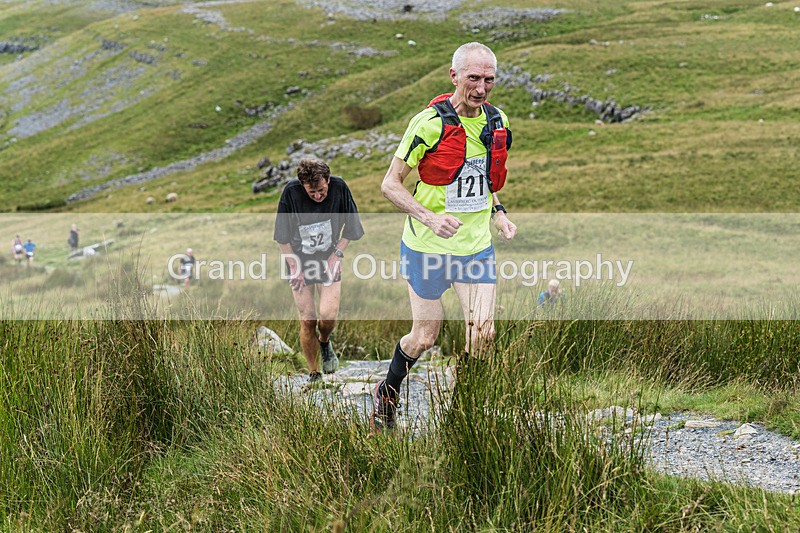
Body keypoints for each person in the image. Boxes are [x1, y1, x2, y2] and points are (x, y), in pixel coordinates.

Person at [372, 42, 517, 431]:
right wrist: (429, 217)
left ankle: (460, 416)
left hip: (474, 249)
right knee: (424, 336)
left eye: (489, 79)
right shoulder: (429, 124)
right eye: (473, 78)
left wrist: (498, 213)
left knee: (483, 332)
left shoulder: (496, 121)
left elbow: (482, 179)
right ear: (454, 76)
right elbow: (390, 184)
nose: (482, 88)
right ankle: (387, 391)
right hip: (428, 247)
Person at [274, 158, 364, 383]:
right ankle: (314, 373)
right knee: (307, 320)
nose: (317, 196)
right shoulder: (291, 193)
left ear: (328, 180)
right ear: (303, 185)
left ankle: (324, 342)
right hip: (298, 260)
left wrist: (337, 254)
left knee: (328, 315)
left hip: (328, 258)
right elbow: (282, 236)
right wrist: (294, 266)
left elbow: (352, 228)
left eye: (321, 190)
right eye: (311, 191)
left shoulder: (340, 188)